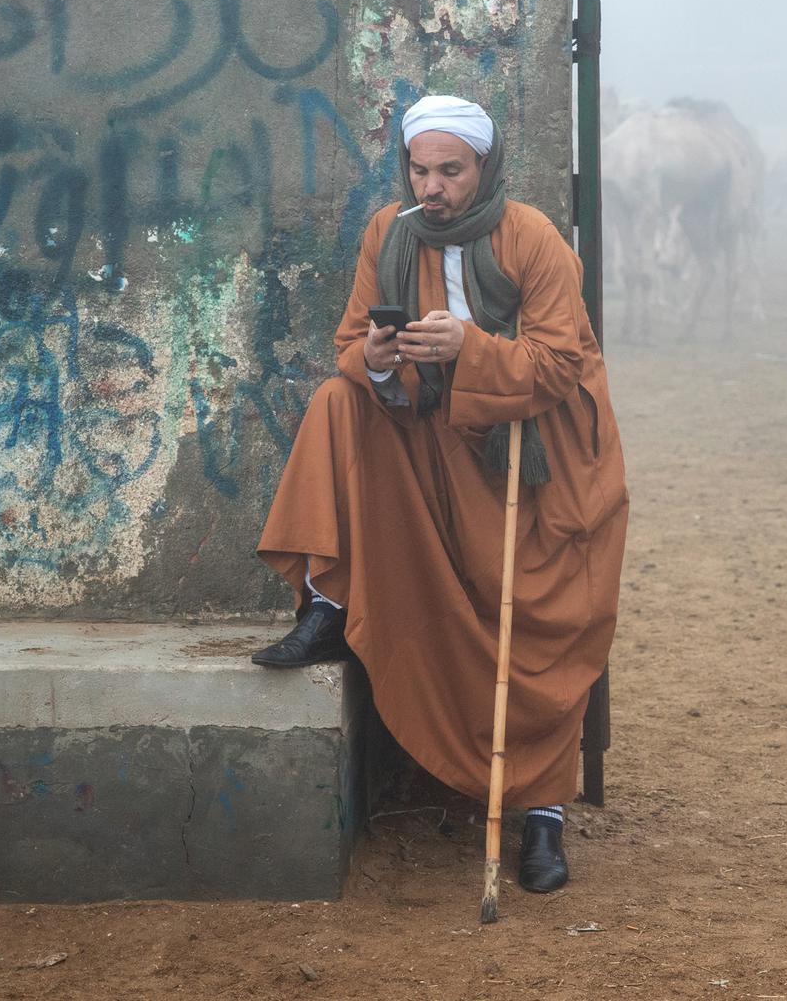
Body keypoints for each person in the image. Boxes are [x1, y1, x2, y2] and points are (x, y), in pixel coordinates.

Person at [252, 95, 629, 894]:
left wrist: (474, 348)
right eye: (420, 170)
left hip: (527, 457)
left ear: (483, 168)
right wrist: (384, 357)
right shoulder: (389, 232)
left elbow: (561, 363)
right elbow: (352, 343)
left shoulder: (532, 240)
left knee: (537, 615)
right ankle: (328, 606)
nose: (434, 187)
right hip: (424, 431)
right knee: (335, 400)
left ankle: (543, 815)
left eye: (450, 171)